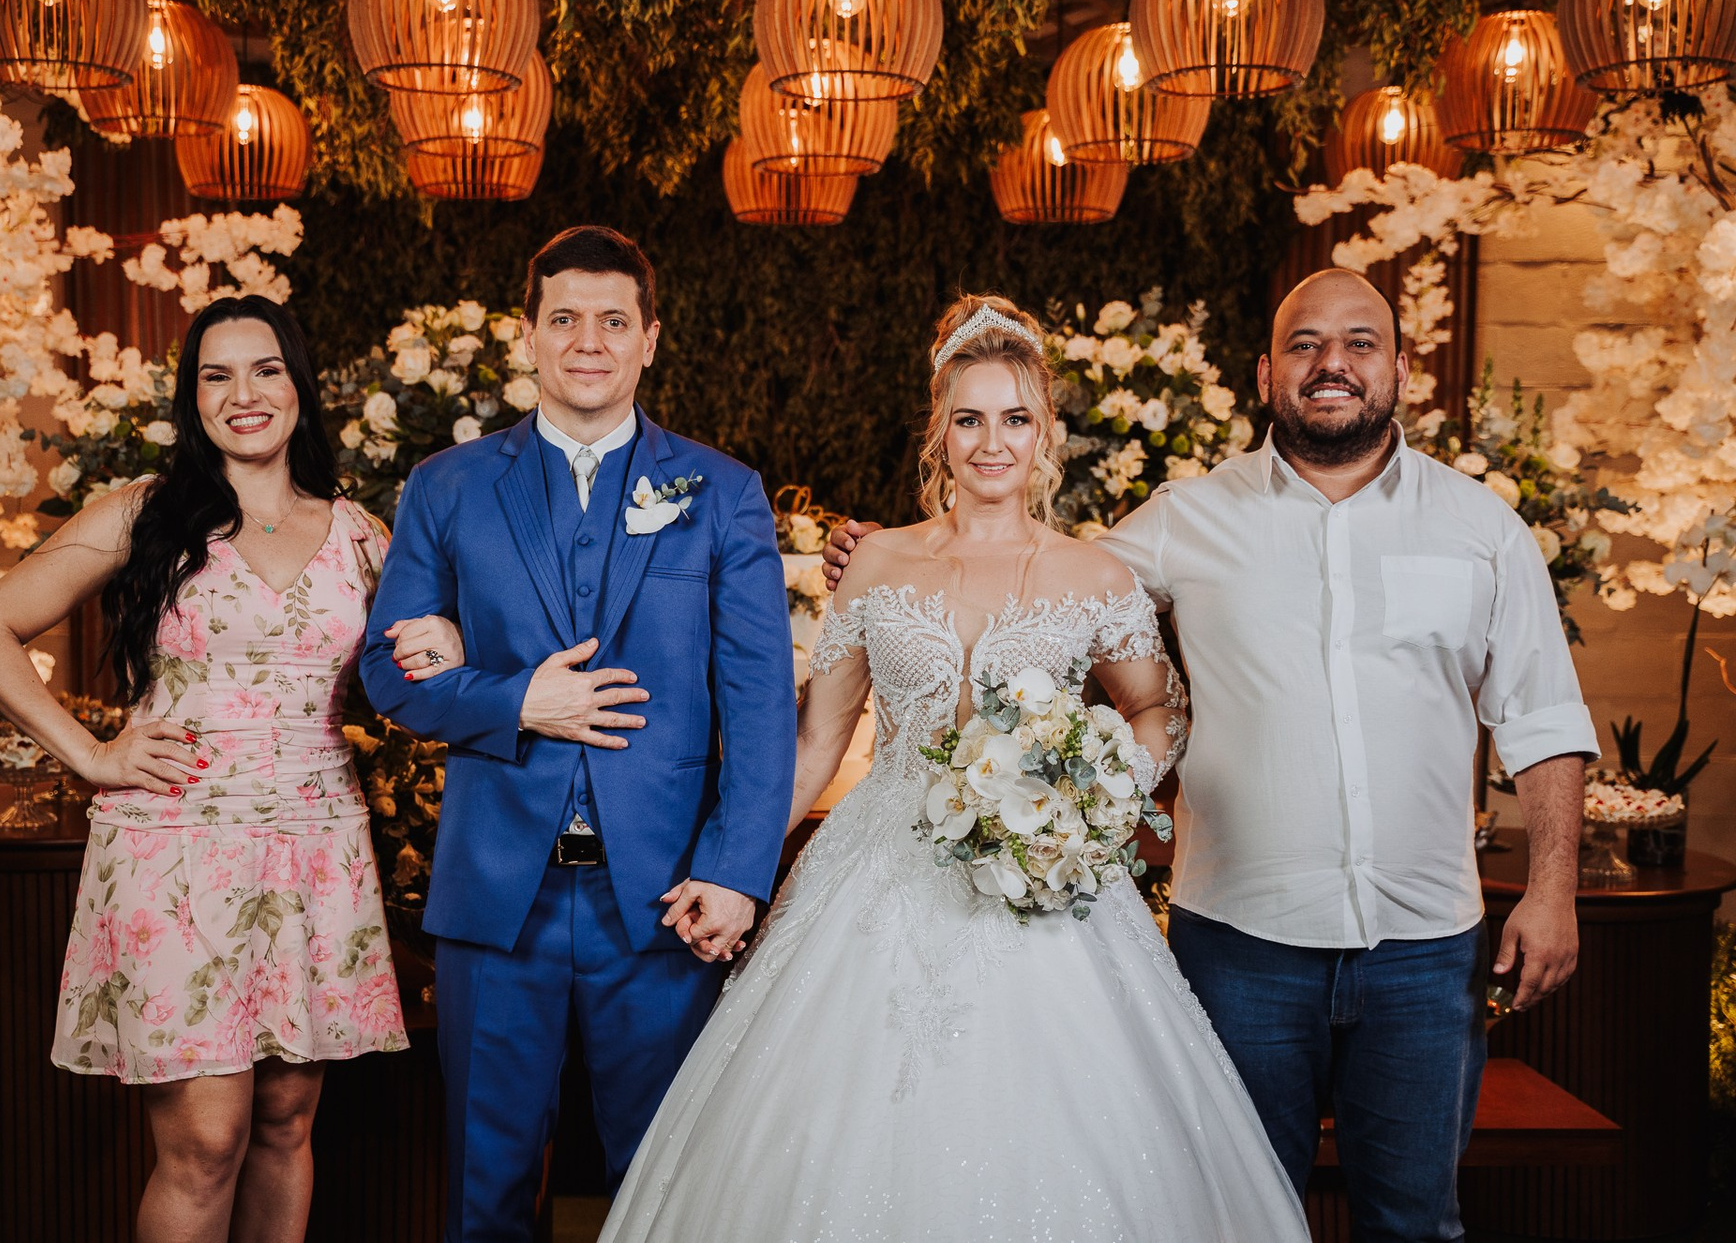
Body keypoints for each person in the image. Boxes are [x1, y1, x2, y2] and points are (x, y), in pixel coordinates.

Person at [826, 269, 1595, 1243]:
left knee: (1415, 1222)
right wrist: (881, 558)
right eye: (1306, 344)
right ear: (1267, 373)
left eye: (1360, 343)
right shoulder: (1184, 517)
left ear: (1402, 367)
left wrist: (1553, 888)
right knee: (1231, 1216)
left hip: (1424, 949)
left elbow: (1543, 718)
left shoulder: (1483, 530)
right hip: (1241, 947)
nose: (1332, 363)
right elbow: (1028, 577)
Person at [599, 295, 1310, 1241]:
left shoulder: (1096, 576)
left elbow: (1159, 710)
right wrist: (736, 868)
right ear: (939, 431)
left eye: (1014, 418)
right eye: (969, 419)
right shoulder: (874, 564)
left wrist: (1092, 799)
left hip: (1045, 887)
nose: (992, 442)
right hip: (880, 867)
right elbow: (815, 744)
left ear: (1045, 431)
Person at [359, 225, 797, 1243]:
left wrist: (737, 871)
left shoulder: (722, 491)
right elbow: (386, 672)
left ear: (651, 338)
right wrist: (517, 701)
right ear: (528, 335)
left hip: (664, 898)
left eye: (612, 320)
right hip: (495, 894)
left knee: (666, 1191)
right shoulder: (448, 485)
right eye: (563, 319)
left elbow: (759, 704)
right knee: (485, 1191)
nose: (587, 341)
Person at [0, 295, 409, 1243]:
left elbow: (425, 668)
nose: (244, 394)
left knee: (285, 1123)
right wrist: (91, 755)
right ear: (192, 398)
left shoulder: (361, 533)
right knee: (205, 1139)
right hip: (176, 843)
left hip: (314, 843)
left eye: (266, 369)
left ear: (299, 385)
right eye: (216, 375)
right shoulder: (142, 513)